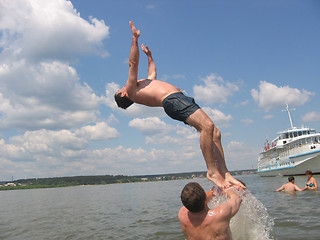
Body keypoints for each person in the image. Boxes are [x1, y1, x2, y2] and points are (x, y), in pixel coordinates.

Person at [114, 21, 245, 189]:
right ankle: (212, 171)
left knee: (215, 133)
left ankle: (225, 172)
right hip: (173, 101)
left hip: (179, 98)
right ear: (124, 94)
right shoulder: (132, 91)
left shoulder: (143, 86)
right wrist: (134, 39)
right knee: (208, 126)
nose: (123, 85)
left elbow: (152, 74)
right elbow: (132, 64)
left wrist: (150, 57)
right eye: (121, 88)